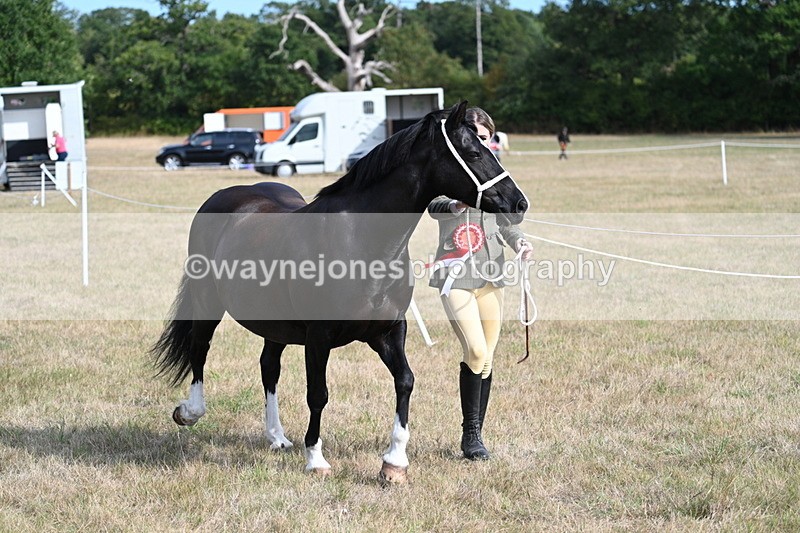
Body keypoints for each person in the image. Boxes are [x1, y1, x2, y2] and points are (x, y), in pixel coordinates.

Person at [428, 107, 533, 461]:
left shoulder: (491, 175)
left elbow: (505, 221)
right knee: (474, 350)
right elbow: (432, 204)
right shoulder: (452, 171)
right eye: (475, 137)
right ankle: (469, 432)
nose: (481, 143)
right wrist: (454, 204)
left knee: (486, 357)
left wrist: (518, 241)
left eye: (485, 137)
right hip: (455, 274)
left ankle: (474, 436)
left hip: (491, 275)